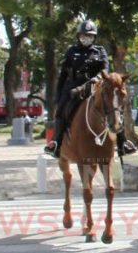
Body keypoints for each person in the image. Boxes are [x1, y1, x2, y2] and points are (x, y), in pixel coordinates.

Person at [44, 20, 110, 158]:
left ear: (94, 37)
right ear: (79, 37)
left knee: (114, 107)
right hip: (73, 88)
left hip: (93, 87)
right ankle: (57, 142)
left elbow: (104, 71)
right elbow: (63, 75)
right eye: (84, 36)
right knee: (61, 110)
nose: (86, 39)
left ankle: (123, 142)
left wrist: (92, 82)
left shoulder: (100, 51)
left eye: (90, 36)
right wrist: (59, 94)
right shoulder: (71, 51)